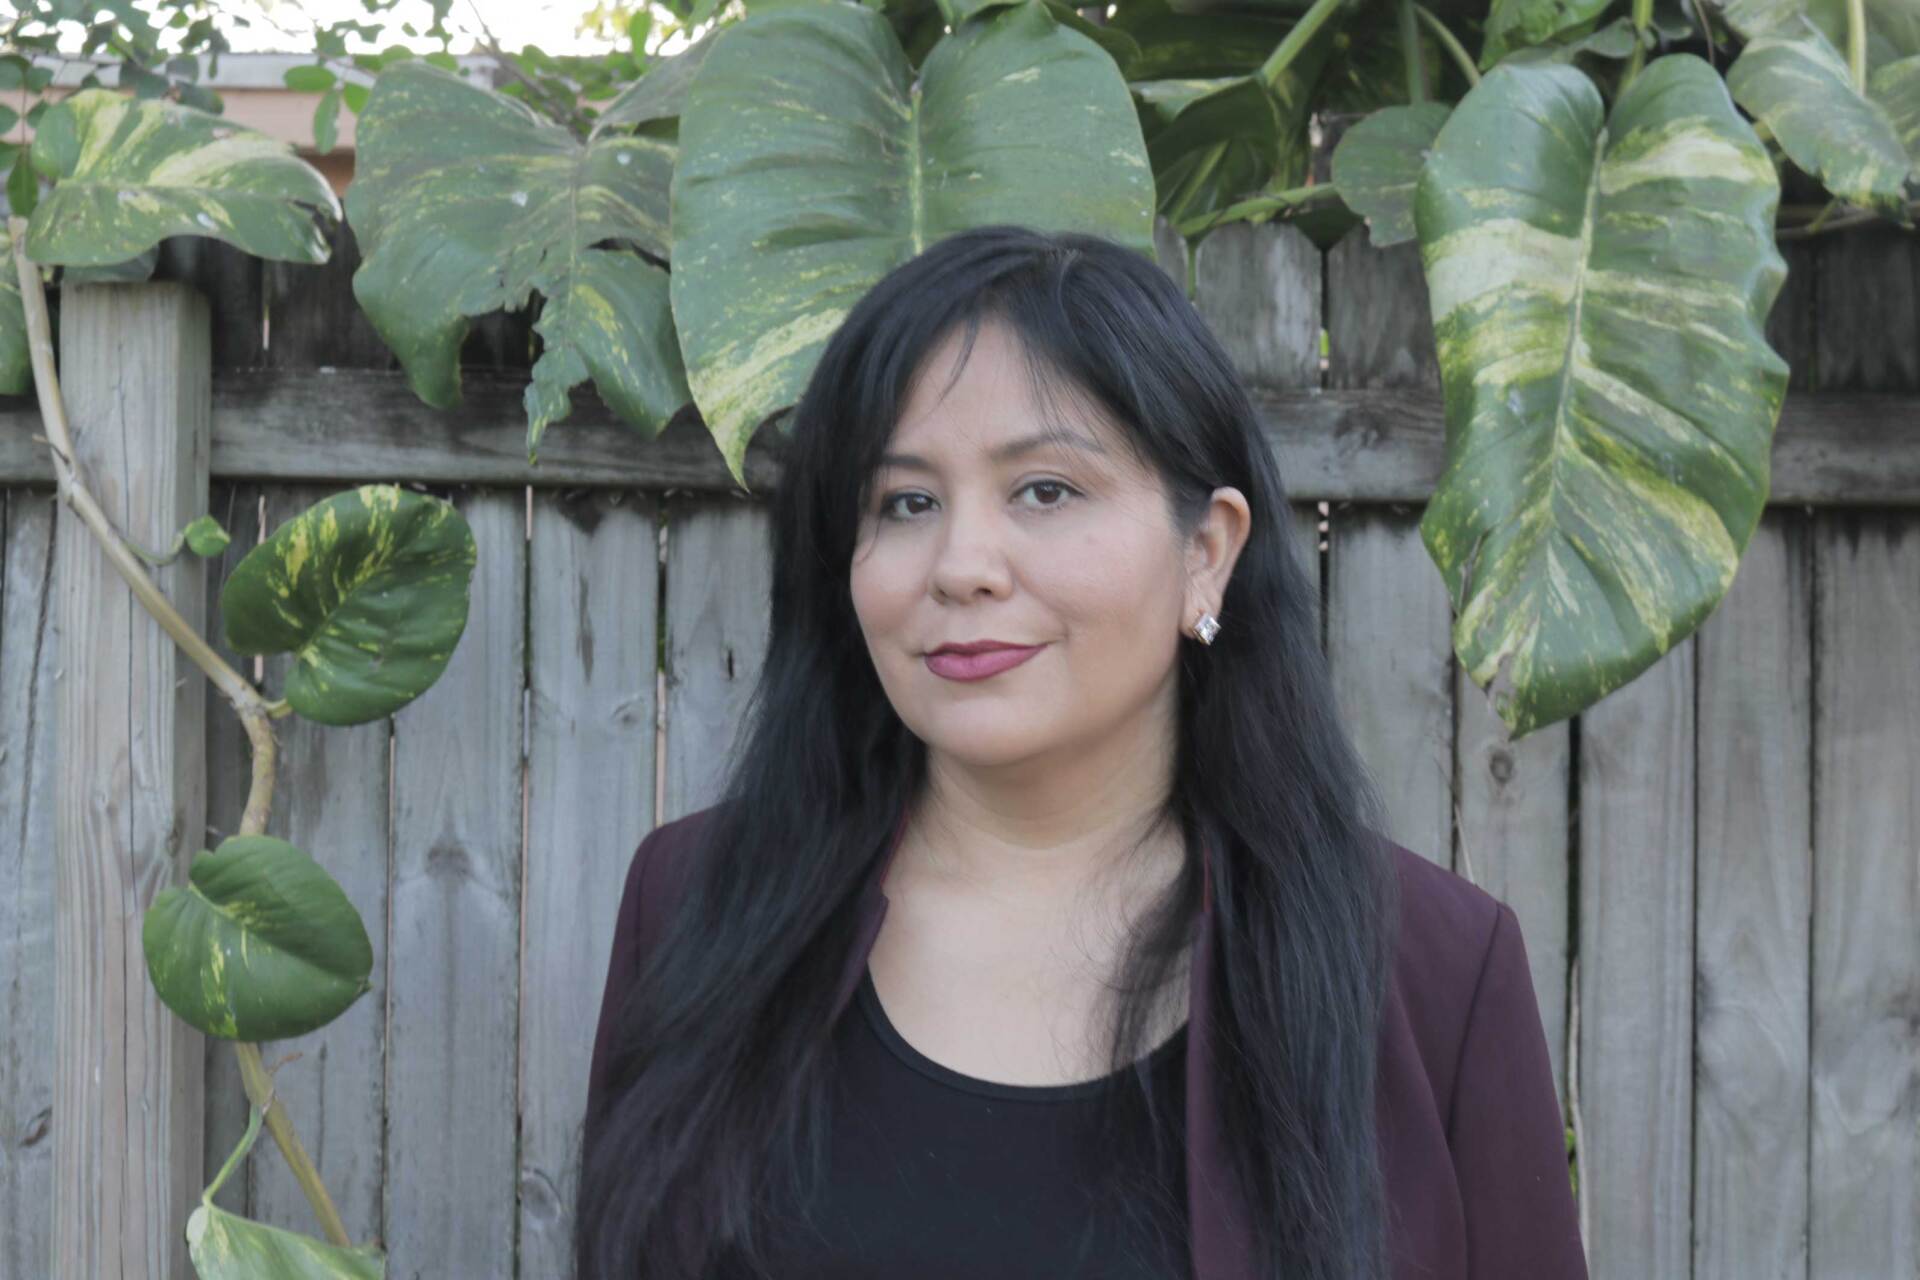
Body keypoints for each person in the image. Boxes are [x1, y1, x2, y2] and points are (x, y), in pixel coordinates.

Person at [576, 224, 1587, 1280]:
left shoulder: (1432, 969)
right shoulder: (697, 903)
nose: (963, 564)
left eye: (1045, 489)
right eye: (906, 502)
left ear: (1207, 552)